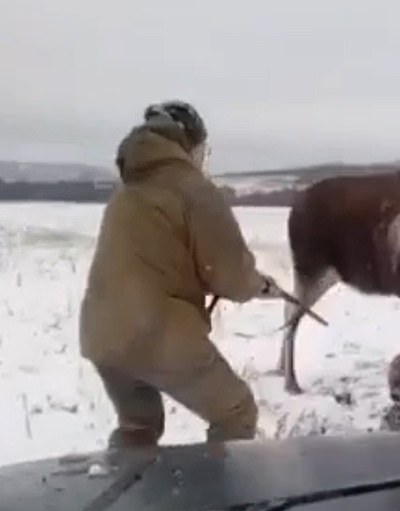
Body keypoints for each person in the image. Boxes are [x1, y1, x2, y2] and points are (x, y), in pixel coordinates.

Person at [79, 100, 278, 451]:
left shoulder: (129, 189)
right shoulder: (193, 189)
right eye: (204, 149)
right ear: (191, 144)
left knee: (138, 426)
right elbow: (229, 274)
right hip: (153, 331)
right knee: (235, 412)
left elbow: (158, 257)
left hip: (101, 334)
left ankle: (127, 495)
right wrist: (257, 284)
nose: (204, 157)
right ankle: (214, 502)